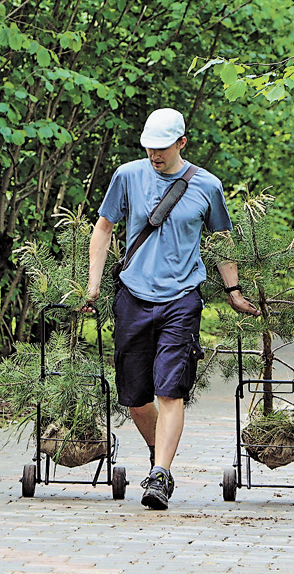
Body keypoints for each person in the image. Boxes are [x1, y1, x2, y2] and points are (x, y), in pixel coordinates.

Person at [85, 108, 260, 510]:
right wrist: (94, 285)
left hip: (182, 298)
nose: (154, 155)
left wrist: (233, 290)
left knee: (170, 388)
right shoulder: (127, 175)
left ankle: (161, 474)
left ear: (182, 143)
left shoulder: (206, 186)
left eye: (162, 148)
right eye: (149, 147)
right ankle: (156, 454)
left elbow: (221, 239)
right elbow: (104, 226)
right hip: (133, 295)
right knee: (133, 394)